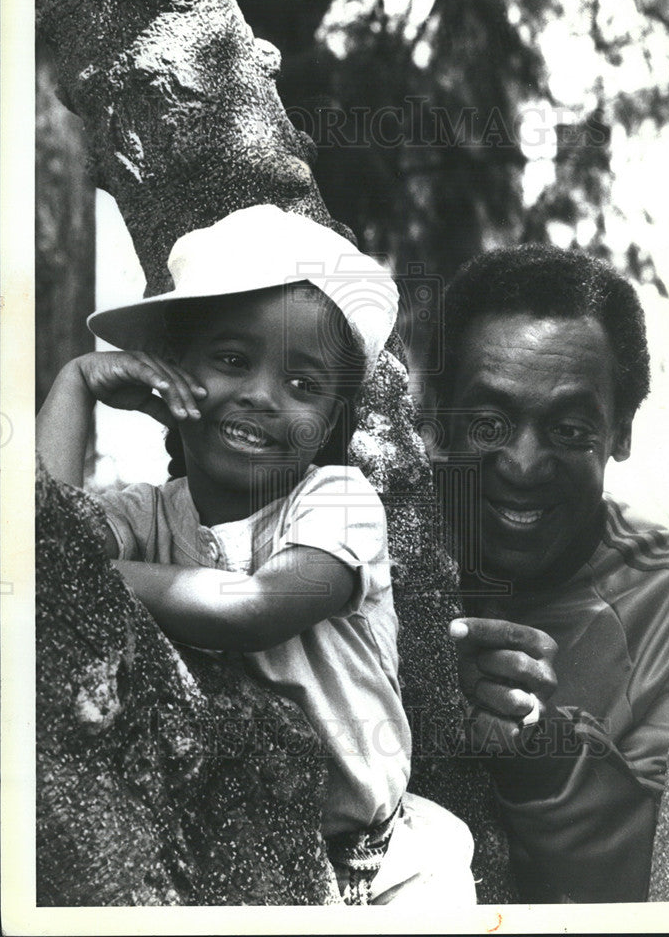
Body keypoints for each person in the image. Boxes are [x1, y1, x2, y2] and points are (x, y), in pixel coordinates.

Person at [36, 204, 476, 907]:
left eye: (303, 385)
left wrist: (101, 577)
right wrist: (77, 384)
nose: (262, 397)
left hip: (382, 868)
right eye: (232, 361)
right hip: (220, 842)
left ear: (331, 419)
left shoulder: (336, 501)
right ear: (171, 372)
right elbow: (40, 547)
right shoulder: (148, 512)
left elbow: (257, 609)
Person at [434, 244, 669, 903]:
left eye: (569, 430)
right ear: (440, 418)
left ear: (620, 432)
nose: (522, 465)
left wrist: (541, 753)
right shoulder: (364, 544)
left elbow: (663, 877)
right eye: (489, 423)